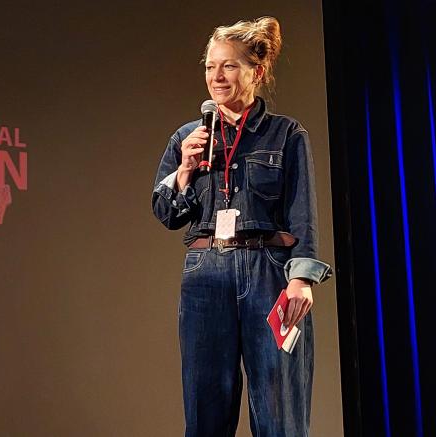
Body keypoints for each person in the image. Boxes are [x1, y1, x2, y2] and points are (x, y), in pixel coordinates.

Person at [151, 17, 333, 437]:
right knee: (205, 408)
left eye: (229, 66)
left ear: (257, 72)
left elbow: (301, 211)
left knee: (278, 408)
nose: (216, 76)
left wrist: (301, 280)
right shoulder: (187, 137)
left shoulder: (286, 134)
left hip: (268, 271)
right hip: (205, 272)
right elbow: (165, 213)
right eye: (211, 66)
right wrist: (184, 171)